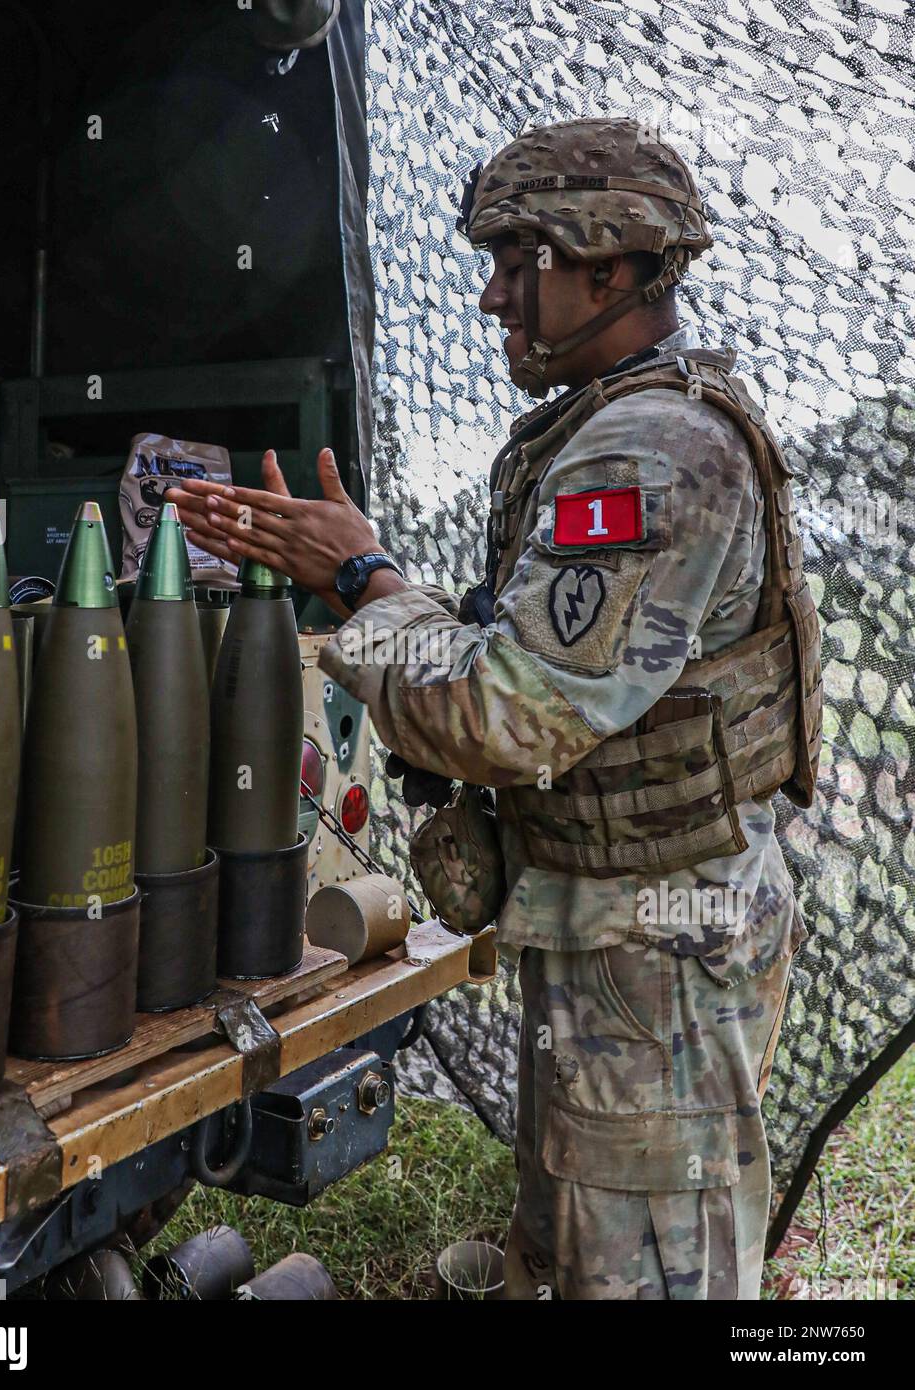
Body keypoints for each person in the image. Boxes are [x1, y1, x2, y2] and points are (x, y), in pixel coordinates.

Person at [168, 117, 822, 1301]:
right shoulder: (618, 425)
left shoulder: (649, 454)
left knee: (645, 1275)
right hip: (621, 934)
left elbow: (503, 711)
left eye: (520, 267)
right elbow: (526, 644)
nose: (490, 299)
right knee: (580, 1246)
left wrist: (367, 580)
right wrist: (361, 575)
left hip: (649, 952)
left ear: (611, 266)